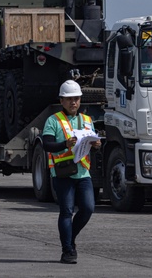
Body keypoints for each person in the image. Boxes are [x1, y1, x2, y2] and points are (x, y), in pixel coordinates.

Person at [41, 80, 101, 264]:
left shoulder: (87, 120)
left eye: (76, 99)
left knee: (88, 208)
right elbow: (46, 145)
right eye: (69, 99)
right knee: (66, 211)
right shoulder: (53, 120)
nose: (73, 102)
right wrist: (64, 145)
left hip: (83, 173)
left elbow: (92, 142)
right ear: (61, 100)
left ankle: (70, 237)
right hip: (62, 173)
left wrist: (97, 145)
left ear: (80, 100)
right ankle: (67, 250)